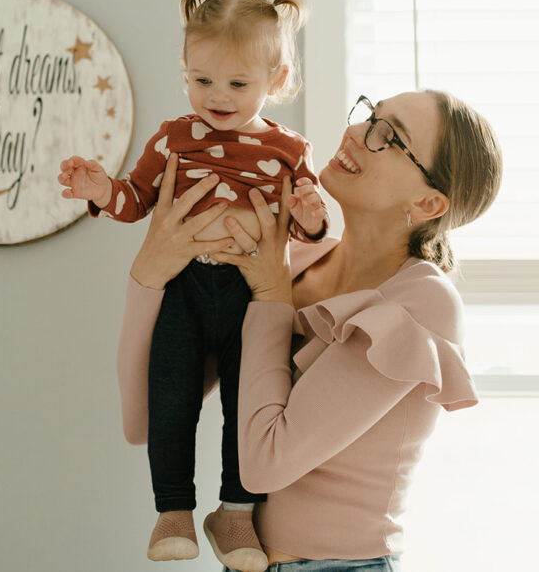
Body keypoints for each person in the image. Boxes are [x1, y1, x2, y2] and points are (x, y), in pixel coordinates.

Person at [118, 88, 503, 571]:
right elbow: (144, 423)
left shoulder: (422, 302)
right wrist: (148, 276)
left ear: (428, 203)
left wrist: (272, 295)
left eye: (389, 135)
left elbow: (264, 462)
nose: (358, 132)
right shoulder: (291, 260)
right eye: (370, 114)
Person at [57, 0, 329, 572]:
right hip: (182, 291)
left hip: (250, 300)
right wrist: (102, 188)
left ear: (276, 83)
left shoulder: (288, 151)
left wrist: (311, 217)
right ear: (184, 70)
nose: (218, 95)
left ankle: (234, 511)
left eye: (238, 83)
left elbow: (308, 226)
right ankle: (173, 509)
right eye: (202, 80)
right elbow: (134, 201)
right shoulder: (173, 137)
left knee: (248, 403)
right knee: (172, 398)